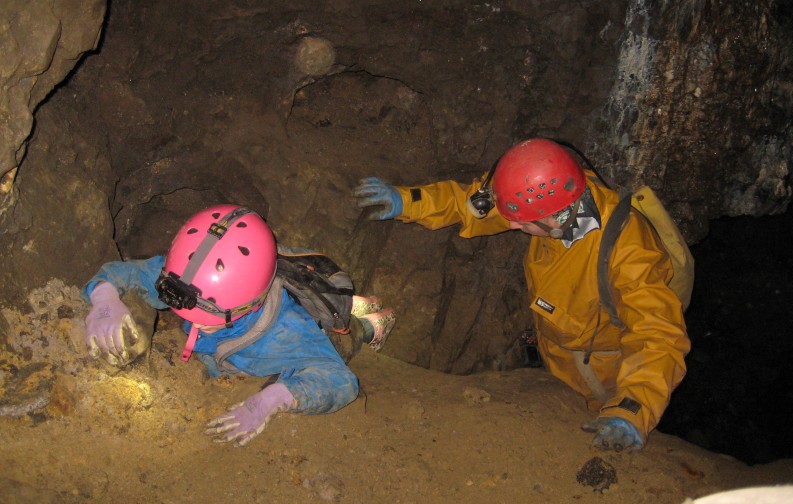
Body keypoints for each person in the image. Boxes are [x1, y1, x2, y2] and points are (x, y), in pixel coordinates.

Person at [354, 138, 690, 452]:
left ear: (558, 215)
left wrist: (633, 409)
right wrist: (406, 201)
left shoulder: (629, 250)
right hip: (556, 351)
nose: (512, 226)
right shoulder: (553, 195)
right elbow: (472, 205)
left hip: (603, 372)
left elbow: (657, 335)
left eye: (523, 222)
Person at [82, 204, 396, 447]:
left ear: (248, 307)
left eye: (207, 318)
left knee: (348, 337)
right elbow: (129, 274)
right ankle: (360, 306)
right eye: (181, 306)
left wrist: (273, 399)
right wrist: (105, 296)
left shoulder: (286, 334)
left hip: (318, 331)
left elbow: (341, 382)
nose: (190, 319)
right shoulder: (189, 273)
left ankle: (372, 321)